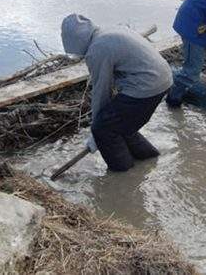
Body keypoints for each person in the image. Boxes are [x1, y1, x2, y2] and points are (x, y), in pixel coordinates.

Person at [61, 14, 173, 171]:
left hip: (146, 86)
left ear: (75, 41)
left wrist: (96, 132)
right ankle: (149, 158)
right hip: (163, 79)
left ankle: (123, 173)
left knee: (104, 129)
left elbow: (101, 91)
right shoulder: (109, 31)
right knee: (122, 125)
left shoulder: (97, 50)